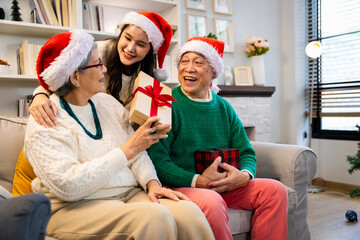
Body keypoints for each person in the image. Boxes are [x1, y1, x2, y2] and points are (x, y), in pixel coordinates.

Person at [24, 29, 214, 240]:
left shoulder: (108, 103)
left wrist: (152, 183)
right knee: (154, 217)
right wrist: (127, 149)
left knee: (189, 213)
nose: (104, 69)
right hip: (72, 206)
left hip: (128, 194)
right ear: (75, 76)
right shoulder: (46, 119)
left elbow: (138, 153)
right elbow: (68, 186)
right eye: (97, 64)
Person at [147, 37, 289, 240]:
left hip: (223, 185)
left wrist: (245, 175)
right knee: (212, 200)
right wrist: (198, 181)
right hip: (184, 185)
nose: (189, 68)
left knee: (275, 190)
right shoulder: (166, 103)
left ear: (213, 71)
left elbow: (246, 151)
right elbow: (158, 161)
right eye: (184, 61)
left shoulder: (224, 107)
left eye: (198, 63)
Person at [29, 11, 172, 127]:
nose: (130, 48)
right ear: (120, 34)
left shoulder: (147, 76)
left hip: (113, 130)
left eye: (141, 45)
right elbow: (58, 75)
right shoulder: (96, 51)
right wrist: (39, 95)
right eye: (127, 38)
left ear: (150, 50)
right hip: (81, 120)